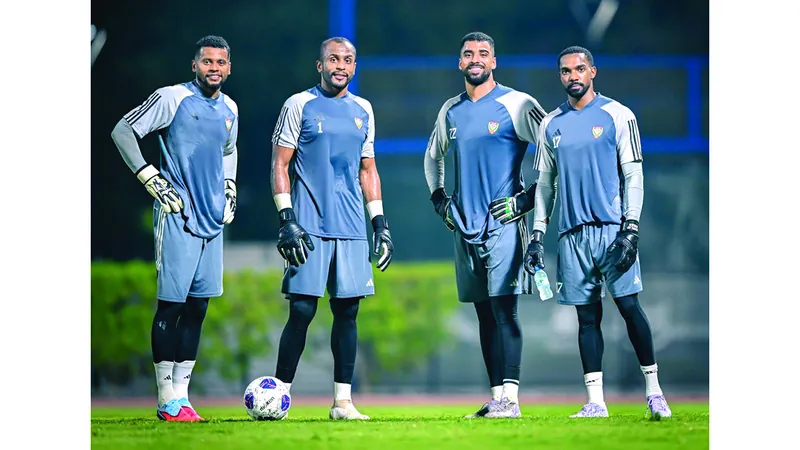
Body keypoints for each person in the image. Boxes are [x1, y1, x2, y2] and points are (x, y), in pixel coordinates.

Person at [524, 45, 672, 419]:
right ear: (560, 76)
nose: (572, 76)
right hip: (572, 236)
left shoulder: (618, 115)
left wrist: (631, 227)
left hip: (612, 232)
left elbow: (633, 174)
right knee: (587, 318)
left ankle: (655, 393)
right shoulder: (550, 124)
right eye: (565, 71)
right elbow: (545, 184)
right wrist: (537, 235)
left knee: (629, 307)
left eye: (579, 69)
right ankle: (596, 402)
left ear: (592, 72)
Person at [110, 35, 239, 422]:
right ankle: (165, 396)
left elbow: (229, 150)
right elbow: (122, 131)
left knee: (199, 306)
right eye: (207, 61)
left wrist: (229, 188)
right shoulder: (171, 98)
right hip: (177, 213)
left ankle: (182, 396)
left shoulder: (230, 108)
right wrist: (149, 176)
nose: (214, 68)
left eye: (220, 62)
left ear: (229, 68)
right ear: (194, 65)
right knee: (172, 304)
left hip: (212, 219)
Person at [270, 37, 394, 421]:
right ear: (320, 65)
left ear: (354, 67)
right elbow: (280, 164)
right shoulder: (298, 104)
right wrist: (287, 218)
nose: (341, 65)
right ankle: (278, 396)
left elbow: (368, 170)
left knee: (348, 311)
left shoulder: (363, 109)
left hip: (352, 226)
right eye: (334, 59)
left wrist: (379, 224)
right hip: (308, 225)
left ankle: (343, 403)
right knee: (302, 310)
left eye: (348, 60)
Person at [424, 31, 547, 419]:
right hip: (466, 228)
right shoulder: (451, 110)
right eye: (468, 54)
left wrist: (526, 201)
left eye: (483, 53)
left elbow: (554, 152)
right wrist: (439, 199)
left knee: (505, 310)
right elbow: (432, 157)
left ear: (494, 61)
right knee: (483, 314)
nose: (475, 59)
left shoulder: (518, 104)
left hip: (503, 226)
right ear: (460, 62)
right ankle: (498, 399)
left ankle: (512, 399)